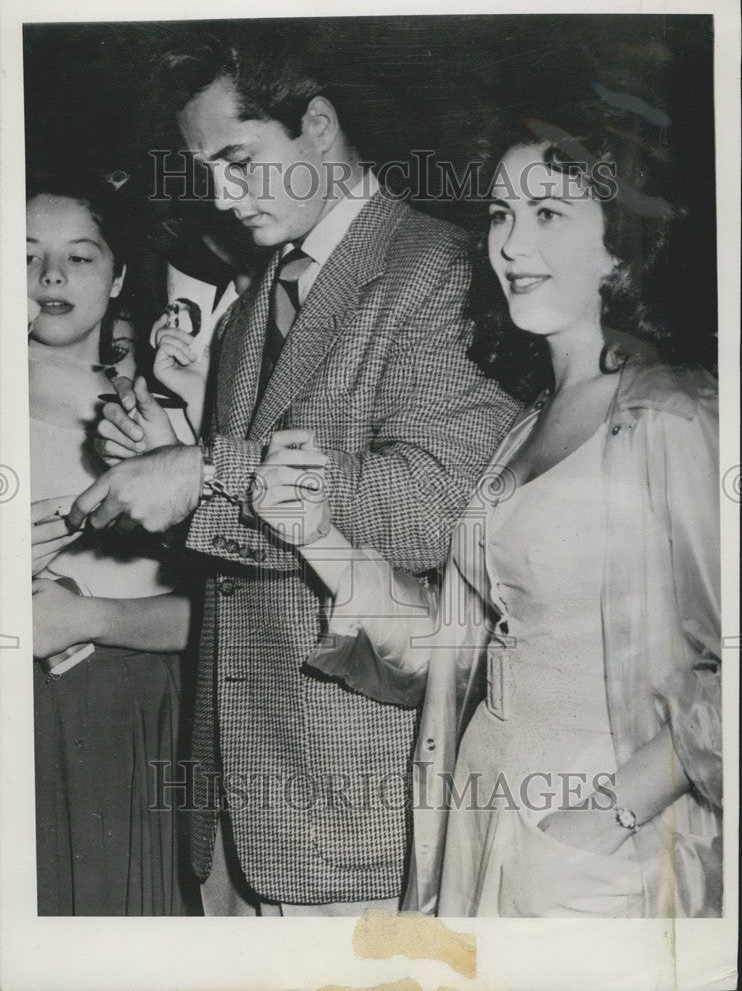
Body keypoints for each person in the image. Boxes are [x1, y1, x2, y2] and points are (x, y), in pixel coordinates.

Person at [71, 27, 518, 916]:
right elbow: (259, 520)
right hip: (239, 798)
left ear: (317, 123)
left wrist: (203, 472)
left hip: (355, 807)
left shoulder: (433, 264)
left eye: (239, 159)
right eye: (205, 171)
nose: (222, 195)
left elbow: (435, 505)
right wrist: (165, 449)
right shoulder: (266, 280)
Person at [250, 109, 722, 917]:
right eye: (501, 213)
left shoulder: (673, 415)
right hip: (480, 799)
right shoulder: (525, 422)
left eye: (548, 213)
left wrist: (597, 825)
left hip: (607, 837)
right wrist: (318, 534)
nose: (509, 244)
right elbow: (450, 647)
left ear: (626, 242)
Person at [28, 169, 193, 915]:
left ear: (119, 274)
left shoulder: (164, 425)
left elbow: (216, 614)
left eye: (80, 256)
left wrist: (89, 618)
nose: (50, 275)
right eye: (23, 253)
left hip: (130, 714)